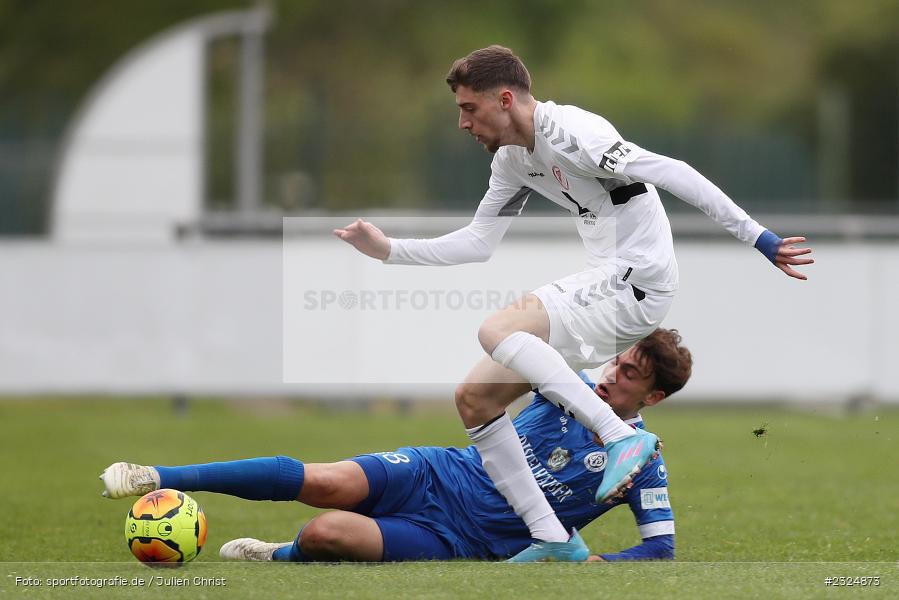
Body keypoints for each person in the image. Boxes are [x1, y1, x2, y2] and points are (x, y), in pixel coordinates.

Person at [332, 45, 812, 560]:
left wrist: (758, 237)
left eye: (469, 108)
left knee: (497, 330)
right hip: (613, 286)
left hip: (637, 280)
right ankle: (550, 538)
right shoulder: (513, 160)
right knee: (476, 398)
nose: (462, 123)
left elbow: (673, 171)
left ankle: (618, 436)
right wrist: (388, 251)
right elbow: (479, 242)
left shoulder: (575, 135)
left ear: (506, 99)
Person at [101, 329, 691, 563]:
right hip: (438, 473)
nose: (613, 374)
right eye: (619, 360)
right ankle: (160, 474)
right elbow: (508, 365)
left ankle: (278, 554)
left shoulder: (644, 461)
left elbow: (660, 550)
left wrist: (594, 567)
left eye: (632, 375)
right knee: (323, 481)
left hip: (461, 539)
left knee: (324, 533)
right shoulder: (574, 386)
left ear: (655, 397)